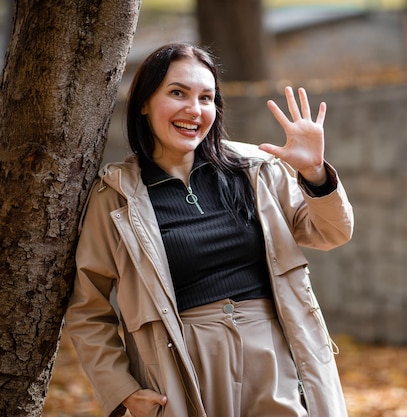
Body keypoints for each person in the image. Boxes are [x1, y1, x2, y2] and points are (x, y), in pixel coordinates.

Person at [64, 42, 354, 417]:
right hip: (183, 366)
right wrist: (122, 389)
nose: (194, 110)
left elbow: (331, 233)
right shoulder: (116, 197)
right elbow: (89, 308)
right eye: (177, 93)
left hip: (275, 355)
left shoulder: (256, 169)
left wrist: (314, 174)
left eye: (206, 98)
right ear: (144, 103)